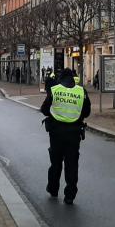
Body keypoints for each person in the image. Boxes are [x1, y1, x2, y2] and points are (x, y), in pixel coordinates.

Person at [40, 68, 91, 205]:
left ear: (61, 78)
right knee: (72, 165)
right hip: (74, 134)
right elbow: (86, 112)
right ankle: (69, 196)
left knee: (55, 163)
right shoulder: (81, 91)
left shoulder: (55, 90)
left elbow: (44, 109)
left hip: (56, 133)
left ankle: (53, 189)